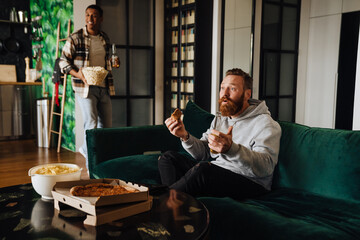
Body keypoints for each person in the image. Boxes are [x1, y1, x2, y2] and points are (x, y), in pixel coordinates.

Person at [158, 68, 282, 200]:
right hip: (220, 173)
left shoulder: (266, 124)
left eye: (232, 89)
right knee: (168, 158)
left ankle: (161, 203)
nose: (225, 94)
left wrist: (231, 149)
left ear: (247, 94)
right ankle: (176, 205)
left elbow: (266, 167)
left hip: (252, 183)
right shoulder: (222, 119)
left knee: (204, 171)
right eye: (222, 88)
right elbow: (203, 153)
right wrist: (184, 136)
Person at [59, 5, 115, 166]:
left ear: (101, 19)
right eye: (88, 15)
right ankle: (91, 157)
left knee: (106, 125)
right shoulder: (75, 37)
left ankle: (99, 155)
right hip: (85, 88)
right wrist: (79, 75)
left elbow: (107, 61)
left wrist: (113, 62)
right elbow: (63, 61)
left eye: (95, 16)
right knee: (91, 123)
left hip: (103, 86)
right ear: (85, 18)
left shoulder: (104, 38)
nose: (90, 19)